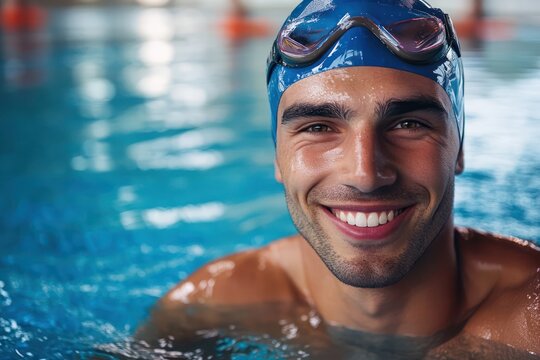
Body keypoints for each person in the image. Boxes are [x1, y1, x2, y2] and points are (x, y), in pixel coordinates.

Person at [137, 0, 540, 357]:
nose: (365, 174)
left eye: (408, 123)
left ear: (460, 146)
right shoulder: (210, 304)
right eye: (317, 127)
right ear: (277, 155)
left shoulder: (528, 321)